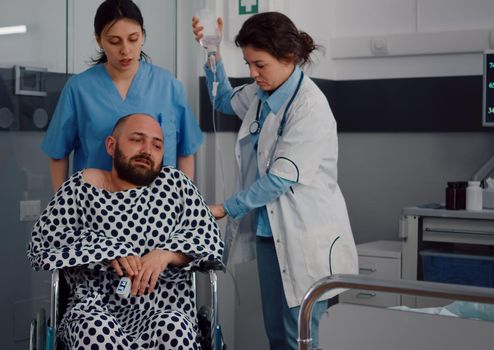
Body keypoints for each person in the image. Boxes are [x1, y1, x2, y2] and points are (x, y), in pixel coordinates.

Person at [192, 12, 358, 349]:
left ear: (289, 58)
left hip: (305, 234)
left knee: (300, 336)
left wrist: (226, 207)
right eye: (248, 63)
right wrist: (212, 51)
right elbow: (223, 100)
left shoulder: (310, 107)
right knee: (277, 335)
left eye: (260, 65)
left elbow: (279, 180)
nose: (252, 74)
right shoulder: (260, 93)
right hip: (271, 232)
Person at [28, 114, 224, 349]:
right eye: (137, 140)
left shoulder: (175, 185)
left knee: (176, 331)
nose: (147, 150)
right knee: (94, 332)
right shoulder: (81, 187)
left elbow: (209, 238)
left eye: (157, 145)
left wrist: (166, 254)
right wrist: (105, 249)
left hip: (165, 307)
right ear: (111, 145)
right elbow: (42, 242)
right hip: (94, 307)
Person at [42, 0, 203, 191]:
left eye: (133, 39)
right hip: (96, 207)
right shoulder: (79, 89)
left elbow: (185, 152)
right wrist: (63, 209)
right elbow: (57, 154)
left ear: (142, 35)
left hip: (159, 209)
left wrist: (184, 205)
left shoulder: (168, 85)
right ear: (99, 40)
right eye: (114, 41)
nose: (125, 50)